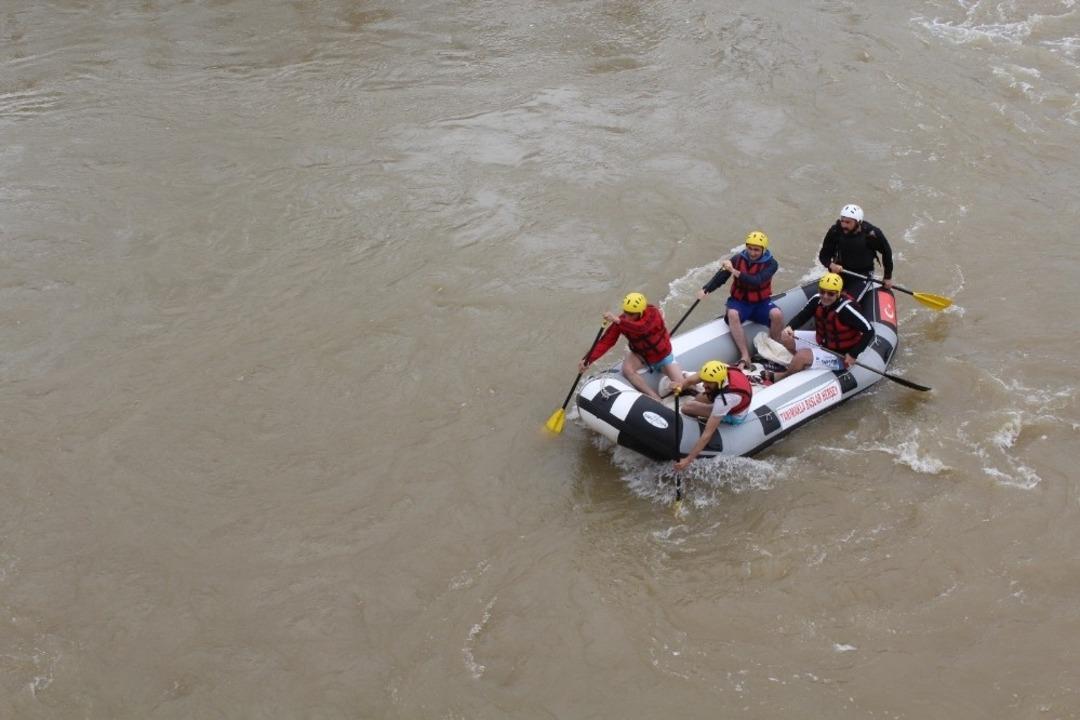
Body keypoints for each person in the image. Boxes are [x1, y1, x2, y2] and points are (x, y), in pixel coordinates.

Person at [696, 230, 784, 370]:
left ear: (763, 249)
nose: (752, 252)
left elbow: (756, 281)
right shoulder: (737, 259)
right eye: (750, 248)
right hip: (740, 301)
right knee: (732, 314)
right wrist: (706, 289)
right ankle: (745, 355)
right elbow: (721, 278)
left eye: (756, 250)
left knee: (777, 314)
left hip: (760, 303)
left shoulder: (772, 264)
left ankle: (773, 350)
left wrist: (734, 271)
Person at [764, 273, 875, 383]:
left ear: (838, 294)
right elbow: (802, 316)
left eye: (831, 294)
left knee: (802, 356)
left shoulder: (847, 310)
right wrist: (790, 327)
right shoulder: (817, 300)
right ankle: (801, 365)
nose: (825, 296)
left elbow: (869, 331)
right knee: (786, 337)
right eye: (822, 291)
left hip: (840, 355)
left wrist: (853, 354)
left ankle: (784, 375)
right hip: (822, 341)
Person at [579, 292, 684, 402]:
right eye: (626, 312)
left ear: (641, 312)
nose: (628, 317)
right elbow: (606, 342)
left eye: (632, 314)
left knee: (682, 386)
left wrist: (618, 321)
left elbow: (642, 328)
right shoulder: (622, 321)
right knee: (627, 369)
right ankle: (655, 397)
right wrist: (588, 359)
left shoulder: (653, 313)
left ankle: (682, 376)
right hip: (641, 355)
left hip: (663, 356)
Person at [672, 360, 753, 470]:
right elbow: (690, 381)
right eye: (704, 381)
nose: (704, 385)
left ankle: (697, 425)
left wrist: (688, 460)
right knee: (699, 398)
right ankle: (700, 412)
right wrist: (679, 387)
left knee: (687, 408)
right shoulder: (717, 372)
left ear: (718, 382)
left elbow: (707, 434)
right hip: (723, 394)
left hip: (734, 415)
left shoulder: (725, 399)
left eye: (708, 383)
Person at [818, 203, 894, 300]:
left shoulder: (872, 234)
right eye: (842, 221)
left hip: (862, 275)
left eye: (848, 222)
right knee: (825, 297)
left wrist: (887, 277)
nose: (843, 225)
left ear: (858, 222)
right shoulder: (835, 231)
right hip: (840, 272)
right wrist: (831, 265)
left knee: (846, 302)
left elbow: (887, 253)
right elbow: (824, 255)